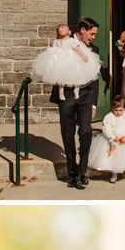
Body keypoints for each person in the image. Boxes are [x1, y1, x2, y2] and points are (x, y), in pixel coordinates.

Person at [34, 17, 101, 189]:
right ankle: (72, 173)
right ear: (82, 30)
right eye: (92, 34)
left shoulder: (93, 50)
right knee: (67, 133)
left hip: (85, 95)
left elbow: (95, 80)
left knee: (86, 131)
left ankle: (83, 170)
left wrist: (94, 104)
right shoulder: (61, 44)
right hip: (66, 95)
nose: (93, 37)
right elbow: (51, 66)